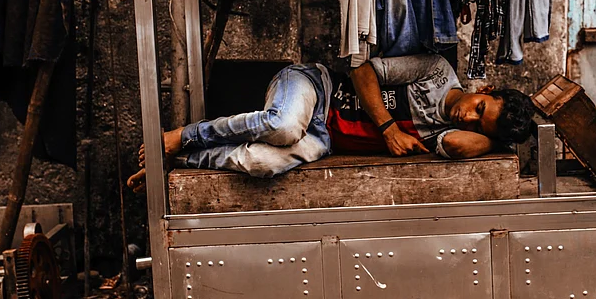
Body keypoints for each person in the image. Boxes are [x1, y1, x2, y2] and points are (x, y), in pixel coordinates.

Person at [127, 54, 536, 191]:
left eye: (479, 123)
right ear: (486, 88)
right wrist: (388, 128)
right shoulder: (436, 71)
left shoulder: (448, 134)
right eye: (481, 107)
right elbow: (362, 71)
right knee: (284, 126)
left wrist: (498, 141)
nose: (468, 115)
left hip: (325, 139)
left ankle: (181, 164)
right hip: (314, 87)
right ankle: (184, 137)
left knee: (263, 164)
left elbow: (460, 148)